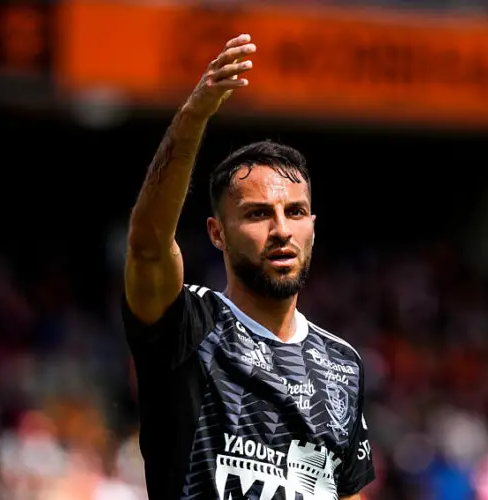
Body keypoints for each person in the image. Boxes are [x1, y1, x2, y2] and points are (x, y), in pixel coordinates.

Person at [123, 33, 376, 500]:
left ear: (313, 227)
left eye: (295, 212)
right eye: (258, 214)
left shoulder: (343, 363)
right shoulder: (186, 325)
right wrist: (194, 115)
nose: (281, 229)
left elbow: (348, 493)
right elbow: (147, 247)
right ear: (217, 233)